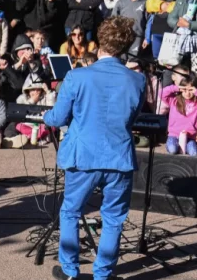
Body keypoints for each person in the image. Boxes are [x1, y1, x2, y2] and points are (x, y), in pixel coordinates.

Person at [45, 16, 146, 280]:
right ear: (124, 47)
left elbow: (57, 119)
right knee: (113, 219)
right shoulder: (137, 80)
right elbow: (132, 118)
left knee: (70, 212)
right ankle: (102, 275)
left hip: (83, 157)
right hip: (119, 157)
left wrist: (44, 116)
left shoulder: (77, 75)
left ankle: (70, 272)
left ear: (100, 42)